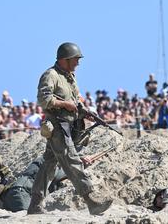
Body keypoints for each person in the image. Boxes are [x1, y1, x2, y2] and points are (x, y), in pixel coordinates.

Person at [27, 42, 112, 215]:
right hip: (58, 126)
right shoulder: (50, 75)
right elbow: (44, 100)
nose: (78, 63)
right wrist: (65, 103)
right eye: (75, 59)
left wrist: (84, 112)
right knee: (72, 161)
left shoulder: (69, 76)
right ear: (65, 59)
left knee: (49, 165)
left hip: (69, 125)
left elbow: (75, 100)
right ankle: (91, 200)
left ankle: (35, 204)